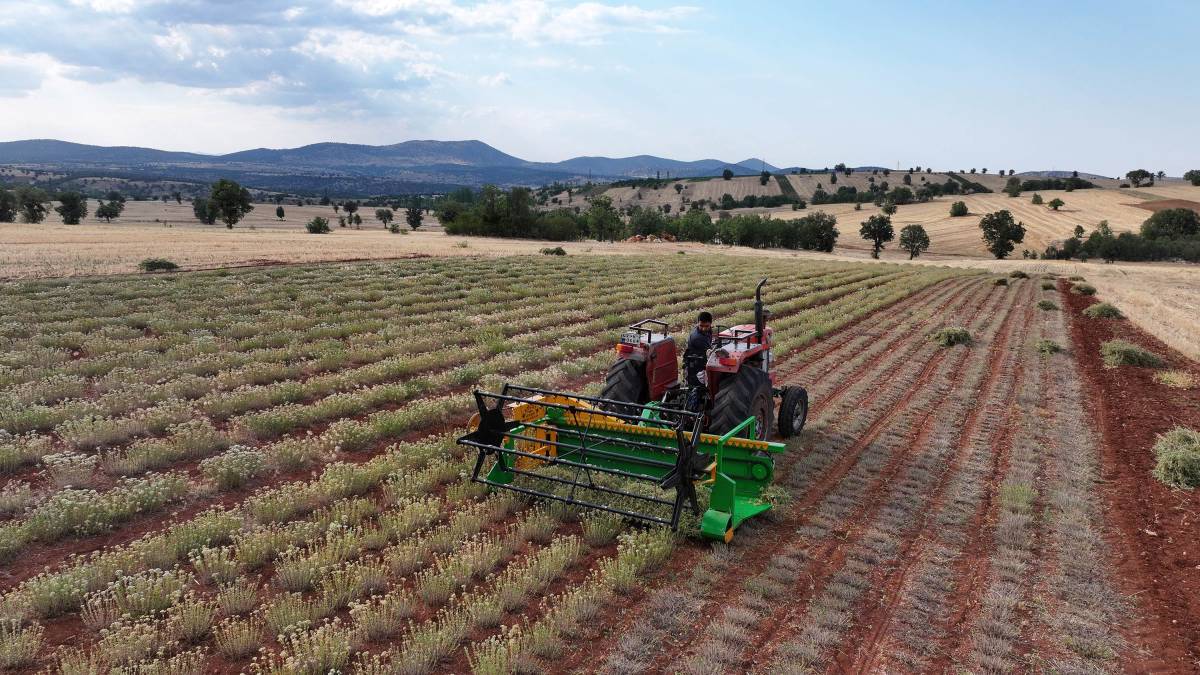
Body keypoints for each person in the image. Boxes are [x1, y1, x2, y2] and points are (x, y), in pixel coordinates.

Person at [683, 312, 714, 411]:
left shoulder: (707, 332)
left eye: (706, 326)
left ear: (710, 324)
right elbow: (711, 352)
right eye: (701, 326)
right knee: (695, 391)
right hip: (695, 367)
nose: (704, 328)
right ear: (697, 324)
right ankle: (692, 412)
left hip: (701, 362)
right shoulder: (697, 337)